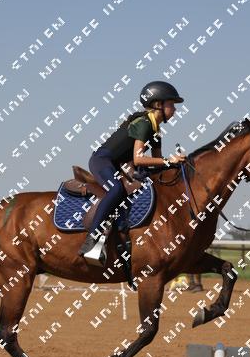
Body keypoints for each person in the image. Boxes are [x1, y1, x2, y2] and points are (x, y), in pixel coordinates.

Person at [79, 81, 187, 264]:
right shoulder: (144, 124)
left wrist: (176, 164)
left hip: (116, 165)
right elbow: (138, 159)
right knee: (116, 190)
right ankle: (91, 240)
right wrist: (170, 160)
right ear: (158, 104)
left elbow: (157, 161)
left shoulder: (156, 130)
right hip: (102, 161)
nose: (175, 109)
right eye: (171, 104)